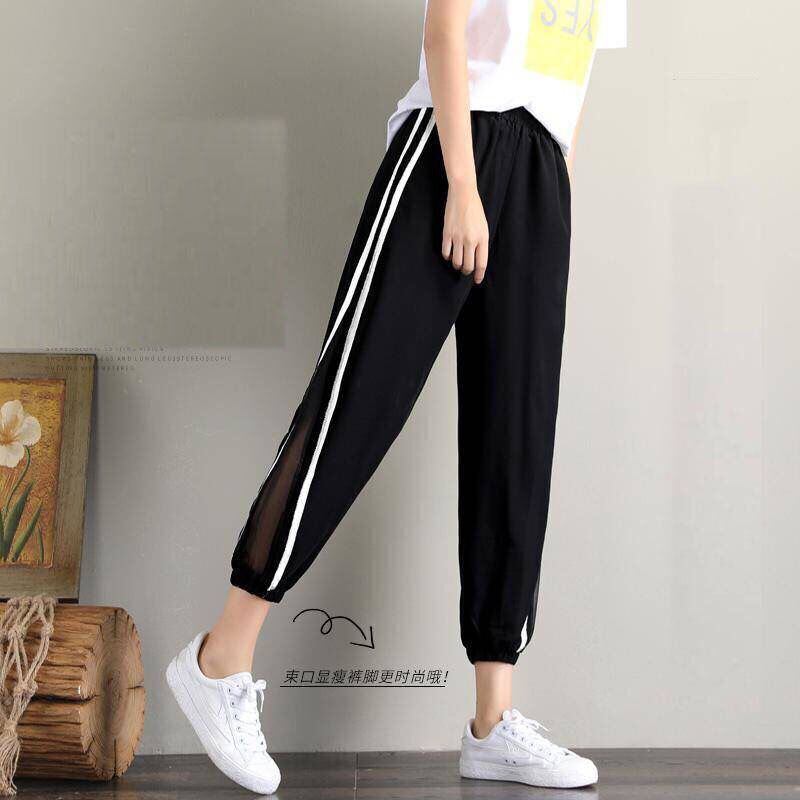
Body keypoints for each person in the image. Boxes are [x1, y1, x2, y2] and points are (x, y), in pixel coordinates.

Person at [166, 0, 626, 793]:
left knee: (516, 438)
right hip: (450, 147)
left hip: (540, 178)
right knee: (355, 404)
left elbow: (573, 79)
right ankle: (221, 657)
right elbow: (444, 32)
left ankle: (493, 722)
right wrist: (463, 183)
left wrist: (553, 202)